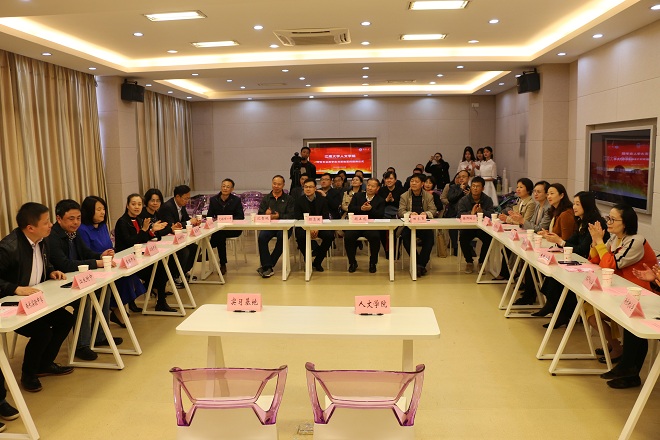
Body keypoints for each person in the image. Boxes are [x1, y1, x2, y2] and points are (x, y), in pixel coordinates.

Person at [0, 202, 74, 394]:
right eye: (46, 222)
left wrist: (51, 271)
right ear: (30, 228)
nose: (51, 225)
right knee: (42, 332)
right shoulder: (8, 248)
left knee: (66, 320)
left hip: (35, 300)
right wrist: (15, 289)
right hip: (12, 305)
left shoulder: (43, 240)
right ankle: (29, 374)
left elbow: (40, 264)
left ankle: (44, 364)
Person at [589, 204, 657, 389]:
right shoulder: (615, 239)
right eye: (608, 218)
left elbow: (611, 265)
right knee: (589, 309)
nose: (608, 222)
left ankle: (629, 370)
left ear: (625, 223)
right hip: (622, 291)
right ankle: (625, 365)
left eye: (613, 219)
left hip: (643, 294)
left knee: (634, 326)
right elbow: (596, 260)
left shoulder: (636, 241)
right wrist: (596, 242)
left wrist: (600, 242)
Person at [47, 199, 121, 361]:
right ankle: (81, 345)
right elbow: (64, 264)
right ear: (59, 218)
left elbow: (85, 252)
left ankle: (100, 335)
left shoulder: (75, 232)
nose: (76, 222)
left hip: (76, 278)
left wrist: (100, 255)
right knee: (85, 298)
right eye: (71, 218)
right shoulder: (53, 237)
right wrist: (96, 263)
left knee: (105, 289)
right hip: (58, 283)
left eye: (78, 218)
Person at [531, 193, 609, 326]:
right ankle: (553, 306)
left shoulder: (596, 223)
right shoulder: (581, 221)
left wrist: (561, 242)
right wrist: (554, 238)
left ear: (586, 205)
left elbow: (582, 250)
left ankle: (562, 313)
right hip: (581, 261)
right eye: (574, 204)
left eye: (578, 204)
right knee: (553, 272)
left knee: (561, 275)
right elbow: (571, 241)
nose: (574, 207)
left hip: (591, 264)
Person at [78, 196, 145, 327]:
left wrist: (110, 253)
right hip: (95, 266)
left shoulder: (103, 225)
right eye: (98, 209)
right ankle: (115, 308)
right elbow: (85, 254)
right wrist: (101, 257)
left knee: (128, 275)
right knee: (121, 280)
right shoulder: (82, 229)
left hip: (109, 263)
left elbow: (109, 246)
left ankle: (116, 307)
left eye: (103, 209)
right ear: (89, 211)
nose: (102, 212)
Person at [114, 194, 176, 312]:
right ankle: (146, 294)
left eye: (139, 204)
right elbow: (130, 242)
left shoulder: (139, 219)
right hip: (127, 260)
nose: (137, 207)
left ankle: (161, 302)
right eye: (133, 204)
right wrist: (144, 230)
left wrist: (152, 231)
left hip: (140, 257)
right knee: (158, 270)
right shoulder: (122, 222)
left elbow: (143, 239)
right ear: (127, 206)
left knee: (162, 267)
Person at [158, 185, 200, 285]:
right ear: (177, 197)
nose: (187, 201)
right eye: (185, 198)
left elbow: (185, 219)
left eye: (188, 198)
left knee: (195, 248)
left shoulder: (181, 205)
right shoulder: (168, 207)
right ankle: (175, 275)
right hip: (167, 238)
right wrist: (189, 222)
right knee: (184, 252)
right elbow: (172, 226)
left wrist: (194, 222)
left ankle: (183, 272)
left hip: (178, 237)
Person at [398, 174, 437, 276]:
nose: (413, 183)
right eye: (412, 181)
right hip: (409, 225)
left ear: (422, 184)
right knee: (405, 237)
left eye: (416, 181)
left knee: (430, 238)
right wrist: (410, 214)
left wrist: (426, 214)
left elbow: (433, 210)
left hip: (424, 225)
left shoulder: (428, 196)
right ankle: (418, 263)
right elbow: (401, 211)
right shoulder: (404, 196)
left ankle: (420, 265)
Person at [256, 175, 295, 278]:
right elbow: (259, 214)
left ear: (283, 185)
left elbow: (292, 215)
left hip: (284, 227)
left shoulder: (289, 199)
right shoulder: (266, 198)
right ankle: (268, 266)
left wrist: (279, 216)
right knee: (261, 238)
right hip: (269, 226)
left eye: (279, 184)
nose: (276, 186)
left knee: (282, 238)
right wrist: (265, 214)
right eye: (274, 184)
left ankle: (268, 265)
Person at [345, 178, 385, 273]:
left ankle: (373, 263)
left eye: (373, 186)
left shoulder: (380, 200)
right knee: (348, 237)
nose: (370, 188)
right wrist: (360, 208)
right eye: (368, 185)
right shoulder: (357, 196)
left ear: (377, 188)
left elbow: (380, 215)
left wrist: (371, 209)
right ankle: (352, 262)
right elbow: (350, 209)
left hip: (371, 227)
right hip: (357, 225)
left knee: (375, 237)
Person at [207, 179, 245, 275]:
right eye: (223, 186)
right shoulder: (214, 199)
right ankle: (222, 264)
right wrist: (215, 220)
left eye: (228, 187)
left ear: (232, 189)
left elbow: (240, 216)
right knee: (220, 235)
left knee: (219, 234)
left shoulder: (236, 200)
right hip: (219, 229)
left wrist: (228, 220)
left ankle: (208, 250)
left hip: (233, 229)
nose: (225, 188)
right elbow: (209, 216)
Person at [456, 177, 495, 274]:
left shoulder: (487, 200)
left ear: (483, 188)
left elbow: (492, 214)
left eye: (478, 186)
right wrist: (471, 213)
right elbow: (459, 215)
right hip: (468, 228)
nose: (475, 188)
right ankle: (469, 262)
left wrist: (482, 212)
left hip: (483, 228)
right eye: (473, 186)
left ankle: (481, 262)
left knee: (489, 239)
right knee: (463, 238)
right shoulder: (464, 200)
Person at [294, 179, 333, 272]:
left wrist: (317, 228)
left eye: (310, 187)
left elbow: (325, 216)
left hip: (319, 226)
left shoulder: (322, 200)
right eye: (306, 187)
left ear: (315, 188)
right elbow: (298, 217)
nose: (308, 189)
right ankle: (307, 260)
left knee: (329, 235)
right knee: (300, 236)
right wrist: (309, 228)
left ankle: (318, 261)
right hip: (304, 227)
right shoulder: (299, 201)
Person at [442, 170, 470, 256]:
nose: (461, 178)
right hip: (453, 213)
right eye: (459, 177)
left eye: (463, 177)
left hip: (467, 214)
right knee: (453, 227)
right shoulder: (453, 187)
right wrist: (461, 190)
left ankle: (469, 247)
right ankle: (456, 247)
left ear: (468, 178)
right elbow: (451, 199)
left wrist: (470, 195)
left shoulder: (471, 189)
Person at [378, 171, 405, 255]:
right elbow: (378, 204)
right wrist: (386, 200)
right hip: (384, 214)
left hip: (397, 214)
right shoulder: (381, 190)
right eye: (387, 178)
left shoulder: (401, 190)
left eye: (391, 178)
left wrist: (393, 200)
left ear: (395, 180)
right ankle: (387, 250)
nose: (389, 180)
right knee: (382, 231)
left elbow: (403, 205)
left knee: (398, 231)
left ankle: (396, 250)